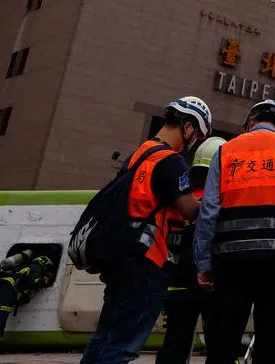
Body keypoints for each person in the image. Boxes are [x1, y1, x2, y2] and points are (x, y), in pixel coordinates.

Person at [82, 97, 211, 364]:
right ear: (187, 127)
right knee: (123, 347)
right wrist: (214, 199)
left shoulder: (139, 154)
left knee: (103, 339)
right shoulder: (170, 162)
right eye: (196, 134)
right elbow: (189, 210)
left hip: (120, 258)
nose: (194, 141)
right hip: (147, 263)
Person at [194, 99, 275, 364]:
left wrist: (204, 263)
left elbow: (209, 211)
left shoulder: (226, 151)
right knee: (271, 338)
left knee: (223, 339)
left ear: (250, 122)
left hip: (229, 261)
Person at [155, 137, 224, 364]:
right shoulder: (221, 200)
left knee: (175, 343)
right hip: (213, 282)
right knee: (221, 344)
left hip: (177, 281)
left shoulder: (181, 197)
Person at [0, 250, 56, 355]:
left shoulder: (24, 266)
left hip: (0, 287)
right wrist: (46, 279)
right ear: (45, 264)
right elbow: (35, 282)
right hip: (7, 290)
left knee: (0, 318)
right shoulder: (36, 267)